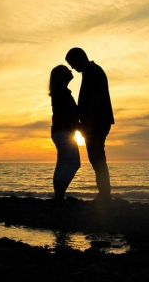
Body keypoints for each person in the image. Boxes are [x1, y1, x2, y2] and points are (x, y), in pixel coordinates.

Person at [65, 48, 114, 202]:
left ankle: (105, 195)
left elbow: (94, 101)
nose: (72, 68)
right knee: (96, 157)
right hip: (96, 122)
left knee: (97, 157)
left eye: (72, 63)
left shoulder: (93, 72)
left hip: (96, 123)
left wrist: (87, 123)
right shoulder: (91, 72)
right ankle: (104, 194)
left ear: (80, 58)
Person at [49, 65, 81, 201]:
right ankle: (60, 193)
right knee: (74, 163)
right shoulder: (62, 93)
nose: (71, 70)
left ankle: (59, 196)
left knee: (62, 162)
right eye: (67, 70)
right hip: (64, 132)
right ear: (62, 76)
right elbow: (69, 115)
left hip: (60, 132)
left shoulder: (60, 92)